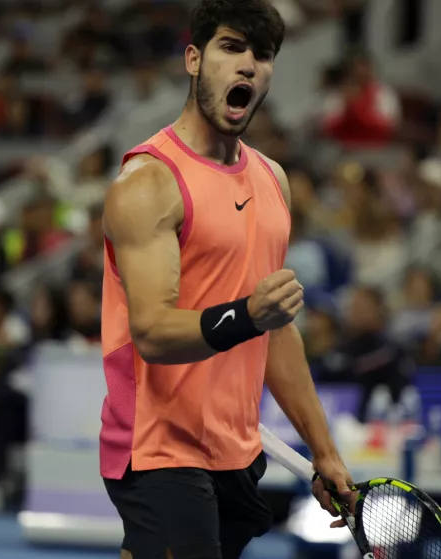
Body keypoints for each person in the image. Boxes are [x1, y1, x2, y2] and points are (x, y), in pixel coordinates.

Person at [99, 2, 355, 558]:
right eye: (231, 48)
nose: (247, 66)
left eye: (261, 56)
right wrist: (248, 315)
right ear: (194, 59)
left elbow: (277, 333)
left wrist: (325, 450)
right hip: (156, 446)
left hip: (236, 450)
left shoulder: (272, 181)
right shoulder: (148, 184)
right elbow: (152, 333)